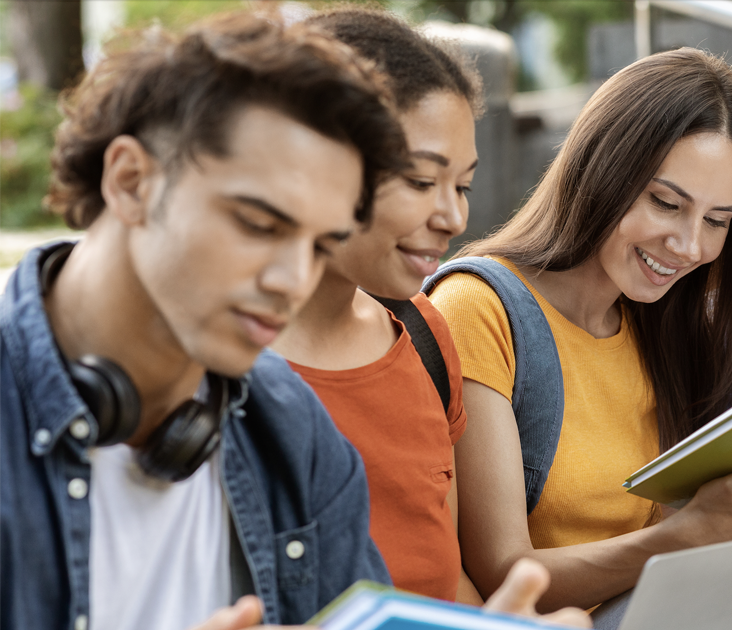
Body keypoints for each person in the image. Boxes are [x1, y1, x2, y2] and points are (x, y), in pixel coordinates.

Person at [0, 12, 582, 630]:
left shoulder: (290, 425)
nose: (291, 280)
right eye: (259, 224)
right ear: (131, 180)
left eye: (319, 245)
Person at [426, 48, 732, 621]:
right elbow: (504, 573)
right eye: (666, 203)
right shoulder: (478, 308)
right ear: (602, 169)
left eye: (716, 222)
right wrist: (694, 532)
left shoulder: (660, 322)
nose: (689, 247)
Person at [272, 7, 570, 615]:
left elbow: (443, 576)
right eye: (418, 180)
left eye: (460, 186)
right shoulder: (218, 361)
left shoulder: (423, 331)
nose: (452, 218)